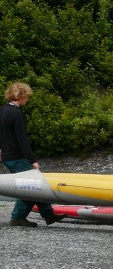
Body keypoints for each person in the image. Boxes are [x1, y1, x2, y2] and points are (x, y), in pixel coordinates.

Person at [0, 82, 66, 227]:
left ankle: (49, 215)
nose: (27, 99)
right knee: (31, 187)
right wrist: (32, 159)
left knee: (36, 185)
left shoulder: (2, 110)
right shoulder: (17, 114)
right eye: (26, 96)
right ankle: (17, 217)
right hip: (18, 157)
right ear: (21, 95)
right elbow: (22, 140)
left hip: (7, 156)